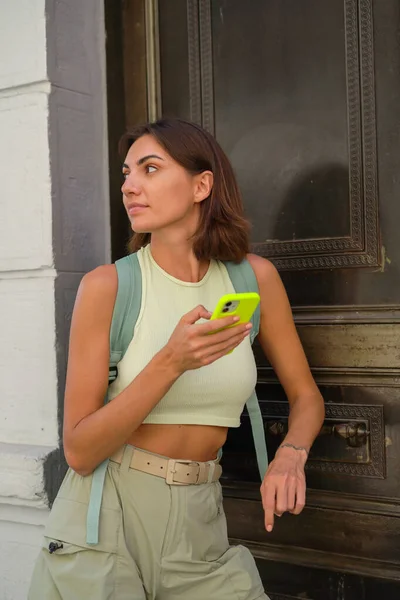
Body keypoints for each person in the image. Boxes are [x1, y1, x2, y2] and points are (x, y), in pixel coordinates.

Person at [28, 118, 325, 599]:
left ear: (201, 185)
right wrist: (171, 360)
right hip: (105, 518)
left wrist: (291, 455)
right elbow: (80, 451)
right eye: (126, 174)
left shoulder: (254, 279)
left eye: (149, 169)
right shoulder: (108, 287)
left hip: (200, 519)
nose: (129, 186)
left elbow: (305, 396)